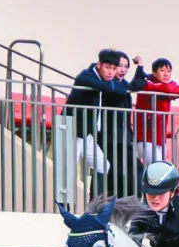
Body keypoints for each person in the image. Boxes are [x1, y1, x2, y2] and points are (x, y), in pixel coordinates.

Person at [63, 49, 147, 197]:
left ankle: (96, 206)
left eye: (114, 69)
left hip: (87, 132)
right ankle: (64, 207)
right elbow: (108, 87)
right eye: (108, 68)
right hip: (72, 128)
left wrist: (139, 68)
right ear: (99, 65)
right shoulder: (86, 75)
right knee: (68, 170)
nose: (111, 72)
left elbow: (132, 86)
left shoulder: (106, 80)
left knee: (103, 165)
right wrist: (114, 82)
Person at [100, 52, 146, 197]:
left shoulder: (122, 84)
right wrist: (140, 68)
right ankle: (135, 202)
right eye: (120, 66)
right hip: (111, 137)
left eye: (126, 67)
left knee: (119, 171)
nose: (123, 70)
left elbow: (141, 83)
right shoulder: (110, 84)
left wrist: (140, 68)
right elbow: (136, 85)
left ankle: (117, 202)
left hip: (123, 137)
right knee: (131, 169)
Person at [135, 58, 179, 166]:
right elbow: (166, 89)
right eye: (162, 71)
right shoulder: (146, 83)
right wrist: (172, 86)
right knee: (156, 168)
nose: (166, 74)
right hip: (144, 137)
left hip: (160, 137)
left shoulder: (167, 86)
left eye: (169, 71)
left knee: (159, 171)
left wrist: (171, 87)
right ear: (154, 72)